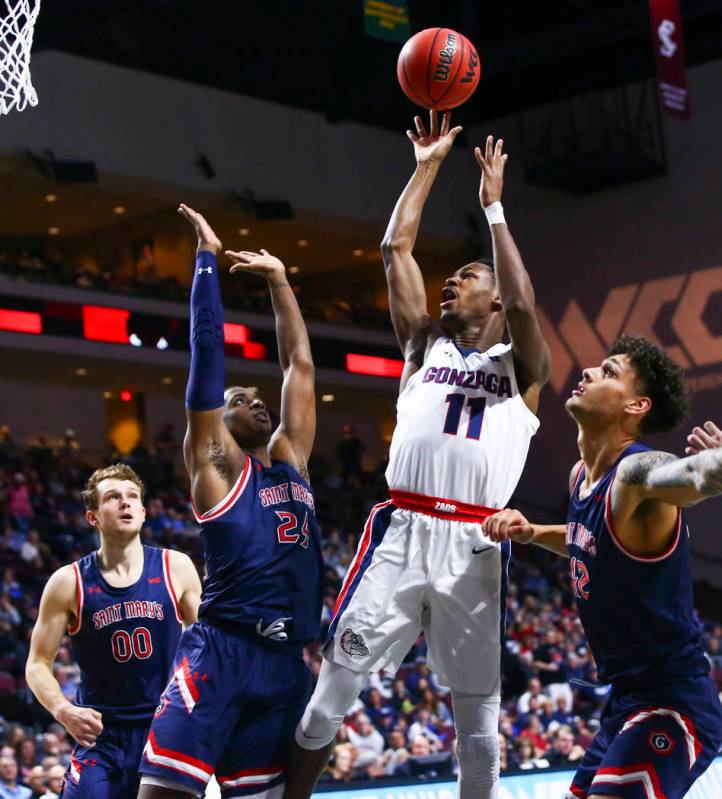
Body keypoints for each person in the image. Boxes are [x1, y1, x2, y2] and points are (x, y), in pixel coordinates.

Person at [285, 109, 550, 799]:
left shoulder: (522, 369)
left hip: (476, 542)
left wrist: (494, 213)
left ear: (491, 297)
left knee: (480, 735)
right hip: (401, 529)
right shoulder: (422, 347)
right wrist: (427, 165)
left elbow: (522, 301)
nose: (450, 284)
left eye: (465, 277)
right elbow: (393, 250)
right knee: (328, 698)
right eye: (452, 278)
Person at [484, 337, 722, 799]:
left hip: (673, 703)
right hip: (624, 702)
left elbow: (694, 476)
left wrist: (715, 464)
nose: (590, 372)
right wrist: (532, 532)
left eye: (609, 372)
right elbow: (584, 540)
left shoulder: (636, 472)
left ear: (637, 405)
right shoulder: (580, 477)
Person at [138, 205, 323, 799]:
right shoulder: (217, 466)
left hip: (284, 663)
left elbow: (299, 365)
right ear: (219, 415)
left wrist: (279, 281)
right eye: (242, 398)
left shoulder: (291, 461)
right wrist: (206, 262)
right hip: (221, 651)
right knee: (163, 793)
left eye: (259, 398)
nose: (258, 401)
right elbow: (206, 357)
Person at [25, 463, 201, 798]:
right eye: (113, 497)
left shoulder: (175, 567)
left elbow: (210, 647)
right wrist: (63, 711)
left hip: (165, 728)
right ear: (92, 517)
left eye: (132, 496)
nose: (125, 503)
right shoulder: (68, 582)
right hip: (101, 736)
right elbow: (36, 664)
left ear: (144, 512)